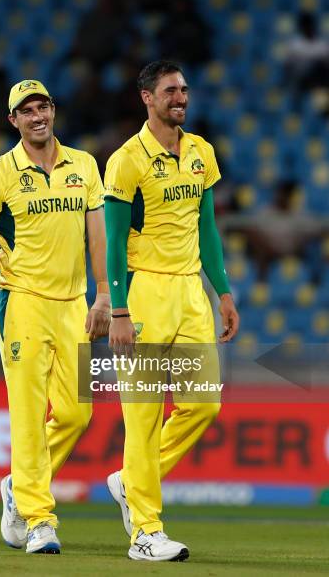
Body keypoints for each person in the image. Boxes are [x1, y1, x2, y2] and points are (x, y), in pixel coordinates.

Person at [0, 79, 110, 554]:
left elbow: (97, 239)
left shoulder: (84, 166)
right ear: (13, 121)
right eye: (26, 111)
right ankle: (38, 518)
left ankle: (17, 486)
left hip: (74, 305)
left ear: (53, 109)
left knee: (76, 413)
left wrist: (104, 294)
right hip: (22, 301)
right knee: (28, 417)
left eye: (42, 105)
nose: (37, 116)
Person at [104, 60, 239, 561]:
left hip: (191, 297)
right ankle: (145, 532)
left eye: (183, 89)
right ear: (147, 97)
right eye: (169, 91)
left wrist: (222, 291)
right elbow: (113, 243)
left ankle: (129, 480)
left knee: (204, 405)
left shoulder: (201, 151)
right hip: (144, 297)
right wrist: (118, 309)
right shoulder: (125, 161)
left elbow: (206, 228)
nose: (180, 97)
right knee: (142, 417)